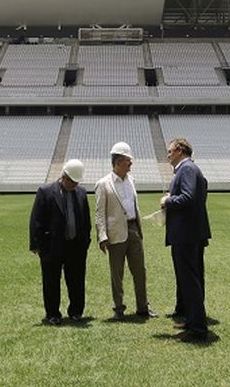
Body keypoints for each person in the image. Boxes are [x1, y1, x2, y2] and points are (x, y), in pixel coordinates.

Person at [95, 142, 157, 320]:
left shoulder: (131, 180)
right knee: (117, 273)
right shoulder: (103, 184)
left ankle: (143, 307)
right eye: (128, 160)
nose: (131, 164)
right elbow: (99, 213)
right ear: (119, 161)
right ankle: (118, 308)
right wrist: (102, 236)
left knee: (140, 271)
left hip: (134, 229)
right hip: (115, 233)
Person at [159, 137, 211, 341]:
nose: (168, 154)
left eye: (170, 151)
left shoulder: (187, 169)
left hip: (186, 235)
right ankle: (192, 321)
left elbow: (188, 197)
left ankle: (197, 329)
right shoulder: (189, 169)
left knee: (190, 281)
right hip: (190, 234)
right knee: (190, 280)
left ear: (180, 150)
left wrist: (168, 200)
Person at [29, 159, 91, 325]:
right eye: (71, 181)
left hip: (75, 246)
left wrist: (86, 242)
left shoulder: (82, 193)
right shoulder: (46, 191)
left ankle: (76, 311)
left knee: (77, 280)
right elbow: (36, 220)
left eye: (76, 182)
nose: (74, 185)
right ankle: (53, 314)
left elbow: (86, 220)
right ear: (63, 176)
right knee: (51, 281)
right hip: (52, 246)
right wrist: (36, 244)